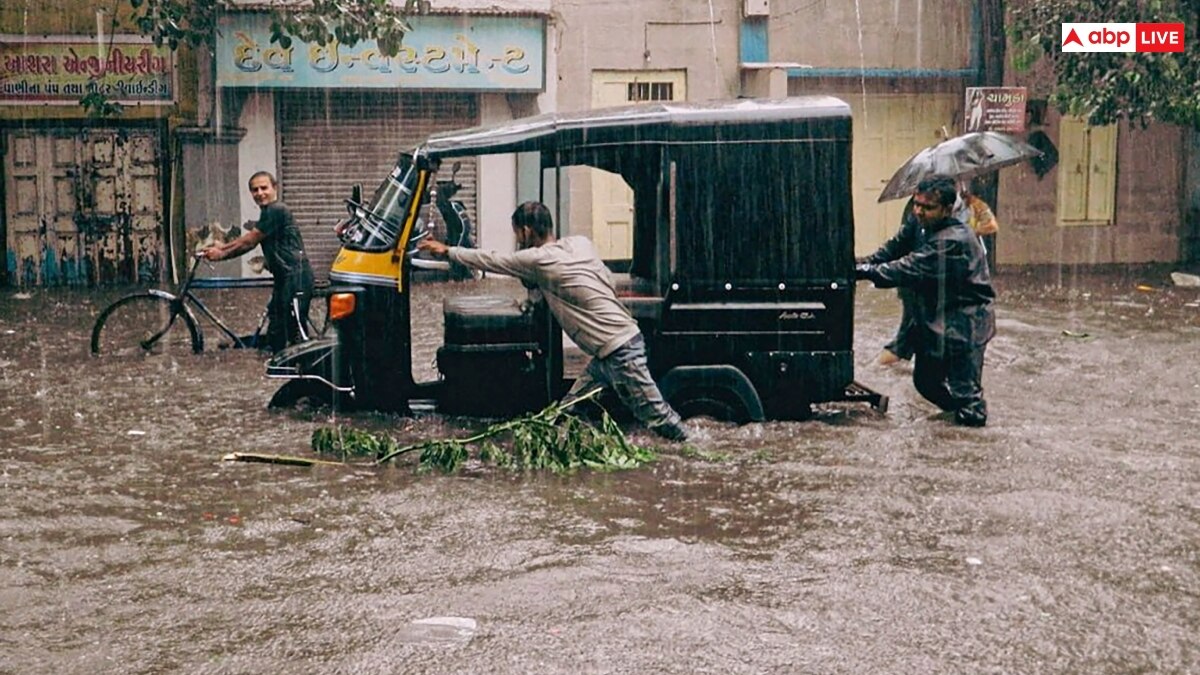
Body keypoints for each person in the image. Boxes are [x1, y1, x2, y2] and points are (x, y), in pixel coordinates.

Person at [417, 201, 689, 441]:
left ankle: (699, 449)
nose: (518, 241)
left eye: (518, 235)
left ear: (525, 231)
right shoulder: (580, 243)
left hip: (619, 351)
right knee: (568, 414)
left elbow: (492, 260)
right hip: (608, 354)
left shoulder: (537, 260)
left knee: (659, 418)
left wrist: (447, 251)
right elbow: (603, 277)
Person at [855, 175, 995, 427]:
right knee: (925, 382)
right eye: (916, 203)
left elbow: (906, 267)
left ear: (946, 209)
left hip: (963, 324)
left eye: (927, 207)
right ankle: (954, 420)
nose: (919, 211)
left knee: (966, 393)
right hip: (933, 318)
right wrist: (863, 263)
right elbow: (893, 248)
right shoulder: (918, 223)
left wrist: (863, 272)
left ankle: (970, 435)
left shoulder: (953, 240)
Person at [201, 171, 315, 353]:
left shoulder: (276, 210)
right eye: (255, 190)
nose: (260, 193)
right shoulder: (267, 213)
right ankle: (271, 369)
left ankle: (304, 371)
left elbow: (249, 241)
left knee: (294, 335)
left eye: (264, 188)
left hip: (295, 278)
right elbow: (249, 240)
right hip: (285, 279)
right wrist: (222, 247)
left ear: (274, 188)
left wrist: (221, 253)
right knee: (276, 331)